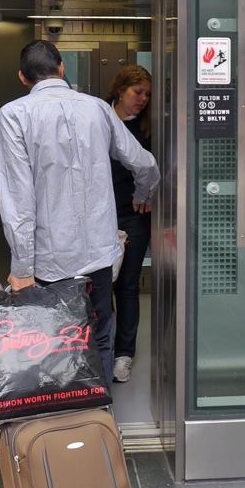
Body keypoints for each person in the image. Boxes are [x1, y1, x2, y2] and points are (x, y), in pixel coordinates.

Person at [0, 40, 160, 386]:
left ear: (23, 77)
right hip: (99, 253)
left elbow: (17, 198)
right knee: (100, 332)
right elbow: (144, 163)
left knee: (55, 341)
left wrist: (21, 267)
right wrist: (143, 194)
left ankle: (64, 412)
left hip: (50, 258)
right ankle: (99, 406)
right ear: (61, 68)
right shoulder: (97, 108)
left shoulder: (14, 114)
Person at [105, 65, 153, 383]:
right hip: (99, 216)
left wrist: (149, 193)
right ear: (121, 90)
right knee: (97, 285)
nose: (143, 99)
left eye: (147, 94)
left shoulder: (148, 128)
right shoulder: (100, 119)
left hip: (134, 217)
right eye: (138, 92)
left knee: (128, 286)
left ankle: (123, 355)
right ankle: (98, 351)